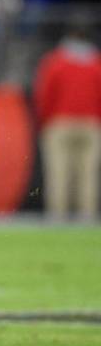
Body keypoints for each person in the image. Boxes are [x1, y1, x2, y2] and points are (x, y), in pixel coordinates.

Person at [33, 17, 101, 220]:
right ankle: (87, 219)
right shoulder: (97, 64)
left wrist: (44, 122)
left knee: (58, 174)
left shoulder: (55, 62)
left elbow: (43, 96)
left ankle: (57, 219)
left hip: (59, 124)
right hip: (91, 125)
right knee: (88, 175)